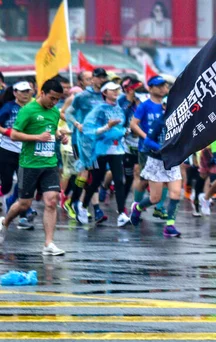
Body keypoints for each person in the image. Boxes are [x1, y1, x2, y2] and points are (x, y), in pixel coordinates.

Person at [0, 79, 68, 255]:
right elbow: (14, 135)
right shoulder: (28, 110)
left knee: (51, 201)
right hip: (29, 164)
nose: (54, 103)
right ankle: (5, 223)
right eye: (52, 98)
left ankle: (48, 244)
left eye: (57, 99)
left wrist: (61, 136)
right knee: (24, 204)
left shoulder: (54, 111)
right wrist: (37, 138)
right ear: (42, 93)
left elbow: (52, 130)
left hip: (49, 163)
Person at [77, 81, 130, 227]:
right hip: (100, 150)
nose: (115, 92)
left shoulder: (120, 109)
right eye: (112, 90)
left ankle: (121, 214)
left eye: (117, 90)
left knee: (119, 181)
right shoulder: (99, 109)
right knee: (95, 181)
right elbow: (89, 129)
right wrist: (108, 127)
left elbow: (121, 127)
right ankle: (82, 206)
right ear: (104, 93)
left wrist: (125, 132)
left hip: (117, 150)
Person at [130, 96, 183, 237]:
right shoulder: (159, 122)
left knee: (176, 193)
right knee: (155, 198)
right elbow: (148, 141)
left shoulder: (182, 122)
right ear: (164, 107)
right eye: (169, 105)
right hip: (156, 162)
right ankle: (138, 207)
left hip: (172, 162)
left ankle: (170, 226)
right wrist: (161, 148)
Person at [64, 68, 108, 224]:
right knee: (86, 172)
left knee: (92, 175)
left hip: (99, 142)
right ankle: (76, 203)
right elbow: (67, 113)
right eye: (96, 78)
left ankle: (78, 202)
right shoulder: (82, 96)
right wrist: (77, 124)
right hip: (81, 141)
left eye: (104, 77)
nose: (101, 80)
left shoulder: (106, 96)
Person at [130, 75, 170, 221]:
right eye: (159, 86)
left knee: (165, 178)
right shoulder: (145, 105)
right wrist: (145, 136)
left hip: (164, 148)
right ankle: (136, 204)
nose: (162, 89)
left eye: (164, 86)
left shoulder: (168, 104)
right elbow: (133, 124)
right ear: (150, 88)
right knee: (145, 179)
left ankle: (160, 208)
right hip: (147, 149)